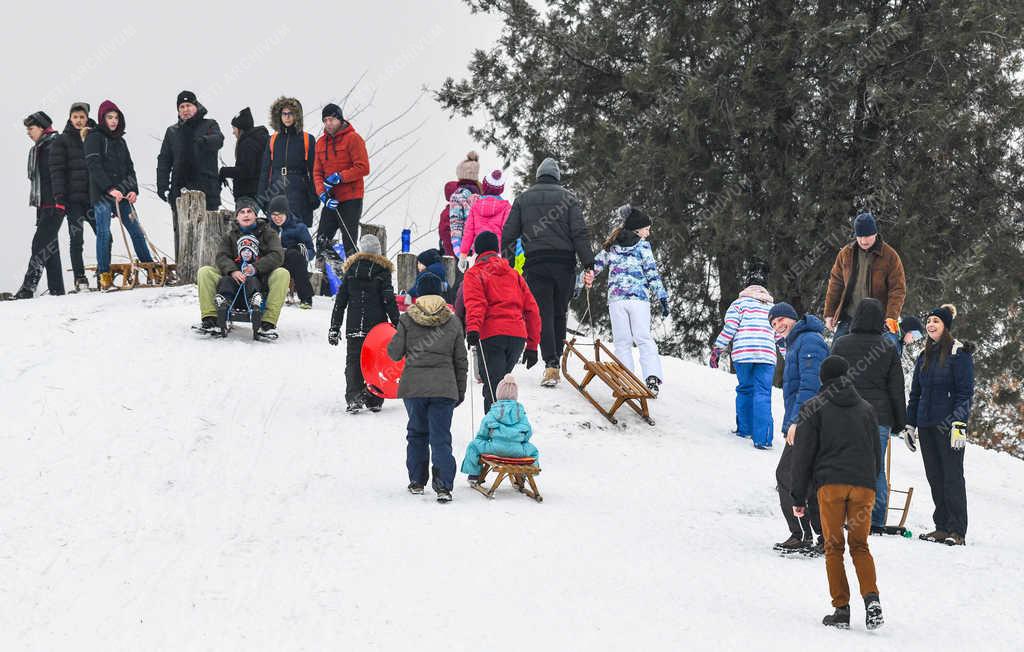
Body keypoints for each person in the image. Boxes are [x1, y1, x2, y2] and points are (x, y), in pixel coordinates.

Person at [791, 355, 884, 631]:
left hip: (831, 486)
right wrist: (870, 483)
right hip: (864, 486)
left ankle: (841, 609)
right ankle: (872, 600)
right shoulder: (866, 409)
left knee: (833, 547)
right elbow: (876, 455)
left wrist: (798, 496)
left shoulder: (814, 407)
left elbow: (803, 455)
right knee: (860, 545)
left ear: (822, 379)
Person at [502, 157, 595, 386]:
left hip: (536, 264)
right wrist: (588, 263)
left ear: (538, 176)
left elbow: (507, 235)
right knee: (559, 313)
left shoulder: (523, 199)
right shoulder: (569, 198)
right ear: (557, 178)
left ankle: (551, 365)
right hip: (564, 265)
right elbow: (579, 233)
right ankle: (556, 360)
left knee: (542, 314)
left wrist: (511, 264)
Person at [387, 273, 469, 503]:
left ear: (419, 293)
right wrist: (459, 391)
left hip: (414, 388)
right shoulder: (453, 322)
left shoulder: (407, 320)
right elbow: (461, 361)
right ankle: (443, 486)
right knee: (441, 437)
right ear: (441, 293)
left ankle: (417, 481)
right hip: (444, 389)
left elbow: (394, 353)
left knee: (417, 434)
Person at [831, 298, 908, 533]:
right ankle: (874, 519)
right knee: (875, 467)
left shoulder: (841, 344)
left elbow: (829, 379)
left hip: (845, 413)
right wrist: (899, 422)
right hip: (879, 417)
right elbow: (896, 387)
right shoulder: (887, 347)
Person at [905, 304, 974, 546]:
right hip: (926, 425)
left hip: (950, 426)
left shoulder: (959, 353)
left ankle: (957, 530)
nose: (931, 325)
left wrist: (959, 425)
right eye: (929, 321)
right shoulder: (924, 356)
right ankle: (942, 527)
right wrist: (910, 425)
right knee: (935, 476)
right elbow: (915, 394)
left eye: (936, 321)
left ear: (946, 326)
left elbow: (965, 393)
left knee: (952, 476)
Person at [589, 206, 669, 395]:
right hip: (638, 299)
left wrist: (580, 283)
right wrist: (662, 297)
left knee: (622, 341)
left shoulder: (612, 246)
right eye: (647, 229)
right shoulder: (643, 246)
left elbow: (594, 267)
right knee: (643, 338)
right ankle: (651, 378)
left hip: (616, 300)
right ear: (637, 229)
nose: (648, 233)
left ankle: (625, 379)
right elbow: (651, 273)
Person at [770, 302, 829, 553]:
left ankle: (805, 533)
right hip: (808, 420)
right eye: (773, 324)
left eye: (781, 319)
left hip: (809, 420)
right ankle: (819, 536)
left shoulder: (809, 342)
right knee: (806, 479)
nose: (778, 325)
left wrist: (797, 421)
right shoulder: (796, 344)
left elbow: (810, 385)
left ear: (793, 318)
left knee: (788, 475)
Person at [463, 231, 542, 412]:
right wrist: (532, 346)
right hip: (516, 337)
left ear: (478, 251)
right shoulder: (514, 275)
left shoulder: (474, 273)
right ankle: (504, 430)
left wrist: (473, 328)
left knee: (492, 389)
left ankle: (494, 433)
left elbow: (476, 302)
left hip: (491, 336)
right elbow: (532, 310)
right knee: (501, 388)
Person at [84, 100, 153, 291]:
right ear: (102, 119)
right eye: (109, 117)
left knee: (136, 231)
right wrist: (109, 189)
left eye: (116, 117)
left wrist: (133, 190)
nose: (113, 121)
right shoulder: (94, 137)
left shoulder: (120, 141)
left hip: (122, 195)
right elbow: (94, 166)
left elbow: (130, 168)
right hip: (102, 195)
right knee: (104, 232)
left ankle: (151, 268)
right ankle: (104, 275)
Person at [328, 234, 400, 414]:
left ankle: (353, 397)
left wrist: (334, 327)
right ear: (378, 251)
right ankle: (374, 398)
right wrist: (398, 324)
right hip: (376, 329)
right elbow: (388, 300)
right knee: (376, 362)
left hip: (354, 326)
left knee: (353, 361)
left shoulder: (351, 270)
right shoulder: (383, 271)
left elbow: (340, 301)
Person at [195, 198, 288, 338]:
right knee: (205, 272)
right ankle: (211, 319)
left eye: (249, 211)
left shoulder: (269, 233)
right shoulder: (230, 236)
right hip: (232, 282)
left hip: (259, 285)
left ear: (255, 215)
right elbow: (221, 256)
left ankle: (267, 323)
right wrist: (233, 271)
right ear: (237, 217)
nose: (246, 215)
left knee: (282, 273)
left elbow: (277, 255)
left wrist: (255, 268)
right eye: (242, 212)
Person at [156, 90, 225, 258]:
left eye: (188, 105)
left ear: (196, 106)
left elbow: (219, 139)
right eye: (181, 106)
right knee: (183, 233)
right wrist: (163, 187)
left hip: (207, 188)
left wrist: (204, 141)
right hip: (181, 190)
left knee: (208, 233)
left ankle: (210, 272)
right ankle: (183, 272)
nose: (185, 109)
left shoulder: (209, 124)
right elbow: (164, 160)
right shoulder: (172, 131)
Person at [711, 271, 776, 443]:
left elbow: (729, 329)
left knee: (745, 389)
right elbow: (780, 335)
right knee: (763, 393)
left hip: (743, 354)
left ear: (747, 286)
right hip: (767, 355)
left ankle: (744, 430)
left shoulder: (738, 304)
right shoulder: (773, 308)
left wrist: (717, 350)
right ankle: (764, 439)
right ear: (764, 289)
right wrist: (789, 356)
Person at [823, 212, 906, 341]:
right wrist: (829, 313)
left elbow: (897, 290)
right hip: (850, 318)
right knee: (836, 353)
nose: (863, 240)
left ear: (875, 233)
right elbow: (836, 284)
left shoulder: (890, 256)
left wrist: (891, 316)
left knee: (882, 354)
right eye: (860, 236)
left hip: (878, 320)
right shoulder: (846, 254)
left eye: (867, 236)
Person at [13, 111, 64, 299]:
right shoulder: (40, 147)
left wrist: (60, 201)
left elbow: (60, 176)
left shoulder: (54, 145)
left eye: (31, 128)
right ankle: (57, 290)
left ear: (42, 128)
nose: (28, 132)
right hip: (44, 205)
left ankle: (28, 288)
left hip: (55, 204)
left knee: (39, 244)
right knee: (50, 246)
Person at [50, 102, 100, 292]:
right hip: (73, 200)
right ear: (70, 119)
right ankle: (80, 278)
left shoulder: (95, 136)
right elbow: (57, 170)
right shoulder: (62, 140)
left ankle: (103, 273)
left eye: (82, 117)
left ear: (87, 117)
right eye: (75, 117)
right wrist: (59, 196)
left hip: (94, 198)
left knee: (104, 236)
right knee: (76, 238)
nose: (79, 120)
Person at [313, 103, 369, 257]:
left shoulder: (353, 139)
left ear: (340, 119)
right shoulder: (320, 143)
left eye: (331, 119)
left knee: (349, 242)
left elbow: (363, 167)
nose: (328, 124)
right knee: (322, 241)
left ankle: (351, 274)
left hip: (351, 198)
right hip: (331, 198)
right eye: (325, 120)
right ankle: (331, 274)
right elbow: (317, 173)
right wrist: (322, 194)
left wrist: (340, 177)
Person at [461, 374, 540, 483]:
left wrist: (484, 440)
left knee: (473, 446)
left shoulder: (493, 412)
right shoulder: (521, 414)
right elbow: (527, 434)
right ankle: (525, 473)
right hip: (517, 451)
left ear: (498, 393)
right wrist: (520, 442)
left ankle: (474, 475)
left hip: (494, 449)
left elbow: (483, 433)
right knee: (534, 451)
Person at [258, 97, 317, 227]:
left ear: (297, 116)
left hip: (298, 188)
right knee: (274, 230)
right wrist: (261, 195)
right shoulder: (272, 139)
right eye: (284, 114)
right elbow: (265, 170)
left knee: (296, 229)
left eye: (291, 113)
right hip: (275, 188)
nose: (287, 117)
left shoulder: (308, 139)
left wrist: (314, 194)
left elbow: (314, 170)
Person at [267, 195, 315, 308]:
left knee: (295, 256)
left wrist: (302, 252)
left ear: (287, 213)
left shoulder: (298, 228)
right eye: (274, 215)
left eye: (280, 215)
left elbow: (311, 250)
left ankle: (306, 298)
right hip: (271, 260)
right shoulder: (267, 228)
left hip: (291, 262)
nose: (277, 218)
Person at [459, 169, 511, 271]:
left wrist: (463, 255)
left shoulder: (475, 206)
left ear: (484, 186)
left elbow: (468, 232)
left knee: (476, 283)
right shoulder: (506, 207)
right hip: (497, 255)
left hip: (478, 255)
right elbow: (507, 232)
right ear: (501, 189)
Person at [219, 107, 270, 202]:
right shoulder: (259, 140)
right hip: (261, 193)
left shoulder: (247, 143)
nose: (233, 132)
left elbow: (245, 171)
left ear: (241, 128)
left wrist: (224, 171)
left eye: (234, 128)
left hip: (248, 195)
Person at [438, 152, 481, 259]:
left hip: (456, 257)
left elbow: (445, 231)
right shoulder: (483, 199)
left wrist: (452, 255)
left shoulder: (454, 202)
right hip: (479, 257)